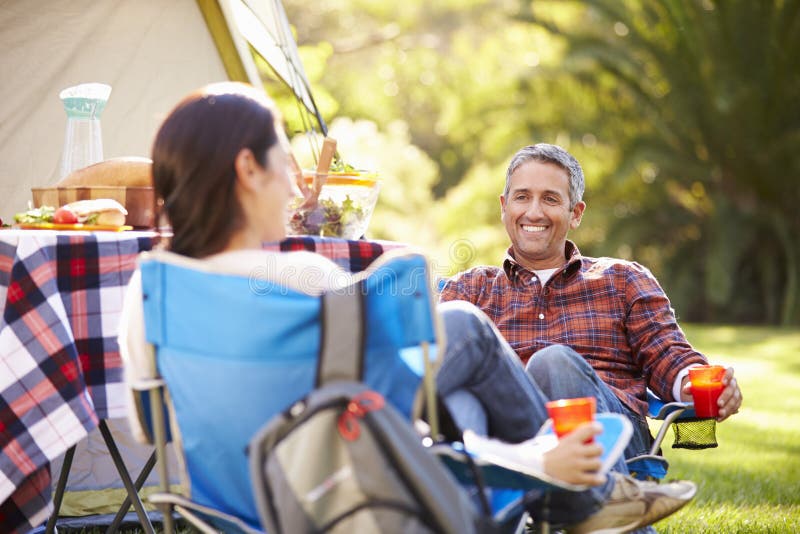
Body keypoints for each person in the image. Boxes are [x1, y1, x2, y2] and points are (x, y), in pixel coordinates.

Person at [118, 84, 696, 533]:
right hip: (345, 500)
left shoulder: (151, 293)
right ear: (247, 169)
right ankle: (585, 501)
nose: (297, 187)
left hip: (228, 512)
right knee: (465, 328)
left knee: (462, 387)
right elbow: (394, 416)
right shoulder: (313, 285)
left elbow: (152, 427)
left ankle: (582, 498)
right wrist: (534, 459)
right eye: (283, 163)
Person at [439, 142, 744, 465]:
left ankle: (593, 491)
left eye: (551, 199)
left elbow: (668, 355)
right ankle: (397, 433)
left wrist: (704, 383)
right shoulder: (470, 289)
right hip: (512, 444)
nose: (533, 212)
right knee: (458, 374)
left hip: (610, 443)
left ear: (576, 213)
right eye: (522, 197)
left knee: (553, 363)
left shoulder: (622, 279)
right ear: (504, 207)